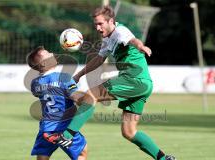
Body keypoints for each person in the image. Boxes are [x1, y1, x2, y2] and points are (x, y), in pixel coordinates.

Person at [54, 5, 176, 160]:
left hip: (133, 79)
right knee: (129, 132)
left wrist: (141, 46)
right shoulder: (107, 39)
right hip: (142, 84)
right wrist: (78, 75)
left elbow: (133, 40)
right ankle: (164, 158)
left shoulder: (120, 32)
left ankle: (66, 136)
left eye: (100, 24)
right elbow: (99, 59)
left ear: (111, 21)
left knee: (91, 95)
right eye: (95, 24)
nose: (98, 28)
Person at [27, 46, 88, 160]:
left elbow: (37, 93)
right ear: (44, 64)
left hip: (46, 128)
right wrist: (88, 99)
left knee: (43, 156)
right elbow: (75, 97)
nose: (52, 52)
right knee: (81, 153)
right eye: (47, 54)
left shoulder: (35, 83)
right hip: (64, 126)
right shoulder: (64, 78)